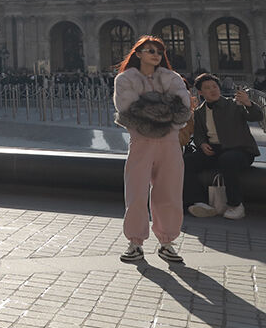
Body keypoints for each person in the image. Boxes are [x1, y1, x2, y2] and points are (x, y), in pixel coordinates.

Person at [113, 35, 191, 264]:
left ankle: (167, 243)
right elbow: (128, 108)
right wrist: (165, 109)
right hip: (141, 141)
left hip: (170, 142)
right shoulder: (125, 79)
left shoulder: (172, 77)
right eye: (150, 50)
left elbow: (184, 107)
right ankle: (135, 243)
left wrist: (149, 108)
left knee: (170, 193)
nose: (156, 55)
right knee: (136, 194)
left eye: (159, 51)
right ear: (138, 54)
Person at [184, 74, 263, 220]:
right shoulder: (200, 111)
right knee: (187, 162)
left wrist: (248, 103)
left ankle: (236, 205)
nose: (213, 90)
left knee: (228, 159)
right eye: (207, 88)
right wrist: (202, 144)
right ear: (200, 92)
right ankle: (198, 202)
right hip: (215, 150)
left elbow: (256, 116)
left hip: (240, 150)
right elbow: (199, 134)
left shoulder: (234, 104)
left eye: (215, 86)